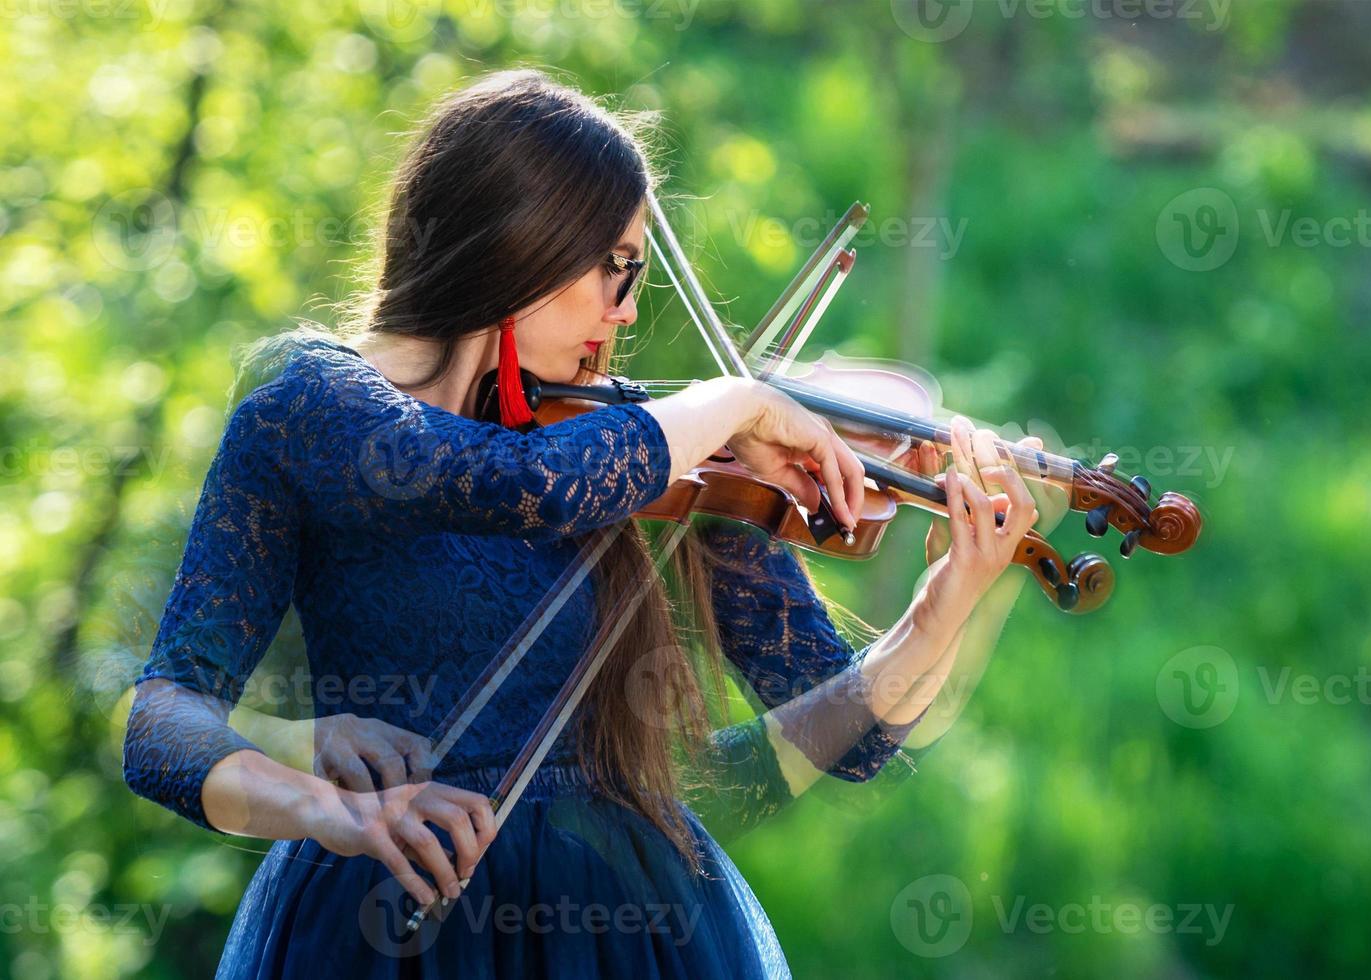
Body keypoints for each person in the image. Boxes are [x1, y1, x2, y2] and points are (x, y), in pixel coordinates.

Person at [122, 68, 1046, 977]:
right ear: (519, 246)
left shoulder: (639, 450)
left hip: (625, 937)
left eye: (637, 273)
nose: (629, 309)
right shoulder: (316, 402)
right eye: (614, 269)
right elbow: (163, 722)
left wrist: (944, 606)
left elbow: (844, 742)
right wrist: (323, 801)